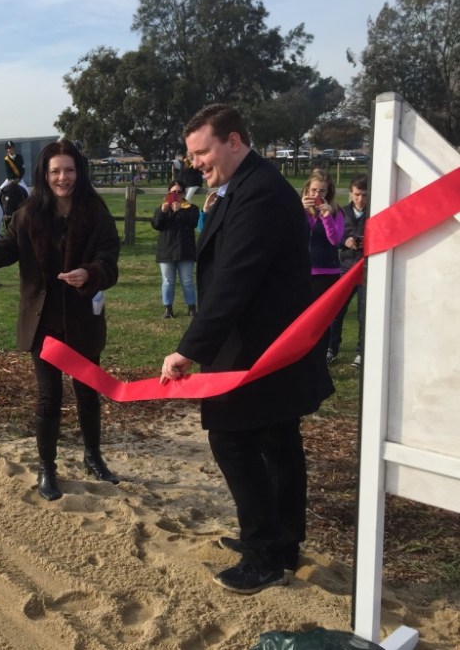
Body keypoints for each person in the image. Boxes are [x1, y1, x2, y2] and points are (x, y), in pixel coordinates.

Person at [160, 104, 333, 595]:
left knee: (234, 441)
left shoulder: (259, 193)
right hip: (268, 349)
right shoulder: (244, 187)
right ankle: (281, 542)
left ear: (233, 141)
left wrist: (189, 349)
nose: (196, 162)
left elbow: (235, 280)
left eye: (203, 151)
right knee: (277, 443)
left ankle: (263, 554)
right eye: (192, 154)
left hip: (257, 352)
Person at [0, 139, 121, 501]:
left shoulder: (96, 213)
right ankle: (47, 467)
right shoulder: (28, 214)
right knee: (48, 397)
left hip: (82, 320)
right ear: (44, 174)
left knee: (87, 393)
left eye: (69, 170)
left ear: (78, 172)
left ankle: (92, 456)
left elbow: (110, 262)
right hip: (43, 325)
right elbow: (3, 253)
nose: (63, 177)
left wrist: (90, 273)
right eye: (55, 171)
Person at [300, 170, 344, 364]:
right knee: (302, 319)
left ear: (329, 193)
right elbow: (291, 235)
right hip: (303, 271)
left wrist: (326, 217)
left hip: (327, 272)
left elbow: (335, 240)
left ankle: (321, 356)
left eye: (322, 192)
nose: (317, 196)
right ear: (307, 190)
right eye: (314, 191)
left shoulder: (336, 212)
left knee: (323, 320)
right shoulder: (298, 209)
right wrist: (298, 211)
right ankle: (303, 355)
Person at [329, 174, 368, 368]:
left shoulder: (374, 213)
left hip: (365, 270)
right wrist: (345, 241)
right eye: (357, 194)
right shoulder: (342, 213)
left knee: (364, 314)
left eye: (364, 195)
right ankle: (331, 349)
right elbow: (333, 237)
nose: (360, 199)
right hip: (344, 269)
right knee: (337, 311)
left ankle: (361, 354)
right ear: (351, 193)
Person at [152, 180, 199, 318]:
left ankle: (191, 307)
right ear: (168, 193)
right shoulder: (162, 208)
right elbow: (156, 225)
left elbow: (193, 224)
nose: (176, 195)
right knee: (167, 281)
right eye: (173, 192)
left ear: (184, 194)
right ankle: (168, 308)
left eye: (179, 192)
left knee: (187, 280)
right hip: (166, 250)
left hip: (185, 249)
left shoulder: (191, 208)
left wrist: (180, 212)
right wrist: (163, 212)